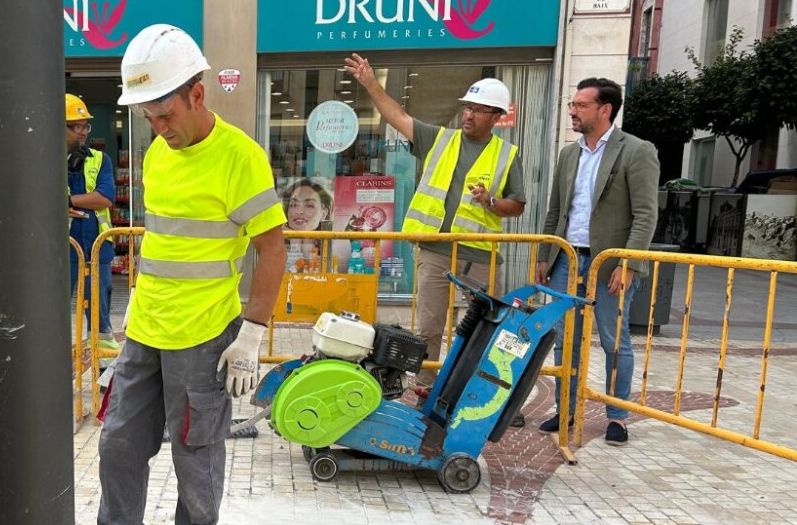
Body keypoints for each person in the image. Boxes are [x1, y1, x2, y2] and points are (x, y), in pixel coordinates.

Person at [75, 23, 286, 525]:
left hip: (204, 331)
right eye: (147, 117)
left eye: (164, 113)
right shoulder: (157, 155)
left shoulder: (240, 158)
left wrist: (252, 333)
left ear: (198, 94)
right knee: (118, 442)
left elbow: (272, 248)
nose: (157, 129)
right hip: (146, 326)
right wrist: (127, 325)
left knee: (196, 449)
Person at [345, 54, 527, 412]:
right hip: (436, 250)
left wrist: (491, 202)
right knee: (429, 326)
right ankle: (425, 391)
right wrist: (370, 84)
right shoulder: (440, 140)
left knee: (483, 329)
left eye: (479, 110)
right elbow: (397, 116)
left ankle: (476, 395)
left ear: (497, 117)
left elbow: (518, 205)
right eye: (467, 108)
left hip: (480, 254)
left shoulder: (507, 154)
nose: (469, 115)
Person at [536, 77, 659, 446]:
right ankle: (566, 409)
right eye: (572, 104)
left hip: (610, 263)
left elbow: (646, 214)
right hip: (566, 260)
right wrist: (545, 254)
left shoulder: (637, 151)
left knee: (613, 340)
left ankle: (617, 417)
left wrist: (628, 262)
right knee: (563, 341)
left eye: (580, 105)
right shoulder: (568, 154)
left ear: (604, 110)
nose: (572, 111)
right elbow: (556, 209)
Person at [65, 93, 120, 368]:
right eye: (75, 126)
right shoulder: (44, 162)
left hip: (97, 248)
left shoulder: (100, 159)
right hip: (62, 250)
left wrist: (67, 201)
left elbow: (105, 197)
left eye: (85, 126)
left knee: (99, 311)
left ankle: (104, 368)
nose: (82, 132)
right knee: (54, 311)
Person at [282, 177, 332, 273]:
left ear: (324, 213)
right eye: (293, 205)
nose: (299, 211)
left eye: (309, 205)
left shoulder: (333, 243)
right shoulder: (276, 241)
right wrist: (295, 244)